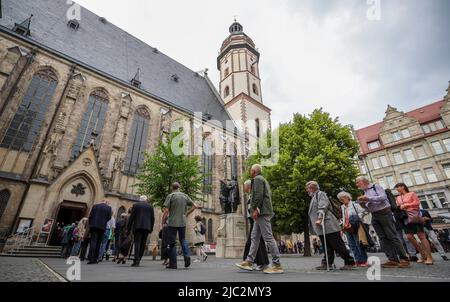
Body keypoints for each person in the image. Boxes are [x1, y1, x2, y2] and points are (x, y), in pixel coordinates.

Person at [236, 164, 284, 274]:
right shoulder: (261, 179)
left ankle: (277, 265)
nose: (249, 171)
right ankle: (249, 261)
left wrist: (255, 209)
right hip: (262, 211)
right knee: (254, 237)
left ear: (253, 171)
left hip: (262, 212)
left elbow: (258, 195)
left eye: (250, 169)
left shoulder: (257, 179)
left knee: (268, 237)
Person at [355, 176, 410, 268]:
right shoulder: (365, 192)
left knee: (392, 236)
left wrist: (368, 198)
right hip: (374, 215)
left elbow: (383, 197)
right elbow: (368, 208)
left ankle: (404, 258)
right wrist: (362, 204)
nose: (357, 184)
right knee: (382, 238)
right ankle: (392, 259)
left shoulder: (376, 186)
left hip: (384, 213)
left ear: (363, 181)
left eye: (357, 182)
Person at [306, 181, 355, 270]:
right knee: (326, 245)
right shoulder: (314, 197)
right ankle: (327, 263)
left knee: (337, 244)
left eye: (308, 188)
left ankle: (349, 261)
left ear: (312, 188)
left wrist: (320, 218)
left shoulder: (320, 194)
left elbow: (323, 206)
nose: (307, 190)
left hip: (328, 224)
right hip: (321, 226)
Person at [163, 182, 200, 269]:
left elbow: (166, 211)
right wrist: (186, 214)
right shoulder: (185, 196)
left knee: (172, 242)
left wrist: (164, 221)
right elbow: (195, 206)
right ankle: (187, 256)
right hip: (182, 222)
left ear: (172, 188)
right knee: (183, 239)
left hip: (172, 222)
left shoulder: (170, 196)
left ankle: (173, 264)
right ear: (179, 187)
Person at [394, 183, 433, 265]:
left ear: (403, 187)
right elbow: (398, 206)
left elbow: (417, 203)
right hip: (405, 217)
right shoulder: (398, 197)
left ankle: (429, 257)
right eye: (396, 188)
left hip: (415, 216)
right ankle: (422, 253)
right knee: (409, 236)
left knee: (421, 236)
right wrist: (399, 207)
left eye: (397, 187)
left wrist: (406, 205)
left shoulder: (412, 194)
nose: (396, 189)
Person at [242, 179, 269, 270]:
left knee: (252, 241)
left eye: (244, 185)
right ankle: (260, 263)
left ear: (248, 186)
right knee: (257, 241)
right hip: (253, 220)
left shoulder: (253, 195)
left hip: (256, 220)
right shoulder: (250, 195)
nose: (243, 187)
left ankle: (249, 262)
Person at [338, 191, 369, 267]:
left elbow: (365, 211)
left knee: (359, 243)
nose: (342, 201)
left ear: (347, 197)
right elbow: (343, 216)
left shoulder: (355, 204)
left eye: (343, 199)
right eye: (340, 199)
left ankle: (364, 261)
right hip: (347, 227)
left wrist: (358, 216)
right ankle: (358, 260)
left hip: (355, 225)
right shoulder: (342, 207)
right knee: (352, 244)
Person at [127, 195, 155, 267]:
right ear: (146, 200)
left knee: (137, 243)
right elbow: (152, 219)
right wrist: (151, 228)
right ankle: (139, 258)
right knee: (143, 243)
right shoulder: (150, 206)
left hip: (137, 227)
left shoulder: (136, 205)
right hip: (146, 228)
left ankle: (136, 260)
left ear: (140, 200)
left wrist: (128, 228)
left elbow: (131, 218)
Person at [87, 200, 112, 264]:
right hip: (102, 227)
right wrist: (104, 221)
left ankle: (91, 258)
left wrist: (90, 224)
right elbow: (109, 217)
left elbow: (90, 216)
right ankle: (96, 259)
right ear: (106, 202)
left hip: (94, 226)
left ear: (101, 201)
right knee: (99, 243)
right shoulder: (109, 208)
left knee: (93, 242)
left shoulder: (95, 206)